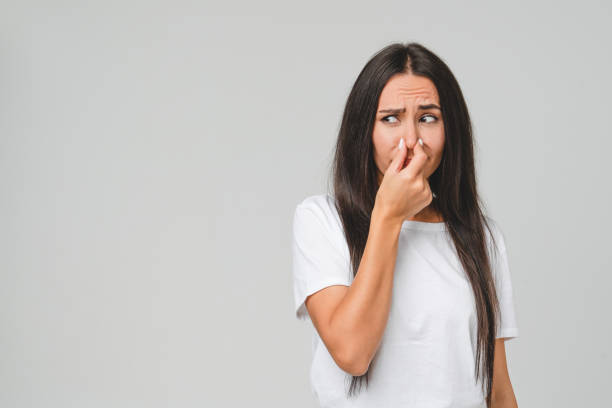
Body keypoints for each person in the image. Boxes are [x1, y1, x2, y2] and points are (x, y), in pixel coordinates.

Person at [291, 42, 520, 408]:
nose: (410, 140)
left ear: (450, 130)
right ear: (364, 131)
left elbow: (498, 388)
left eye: (428, 118)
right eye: (390, 118)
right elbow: (352, 353)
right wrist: (389, 215)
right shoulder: (322, 221)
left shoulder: (482, 239)